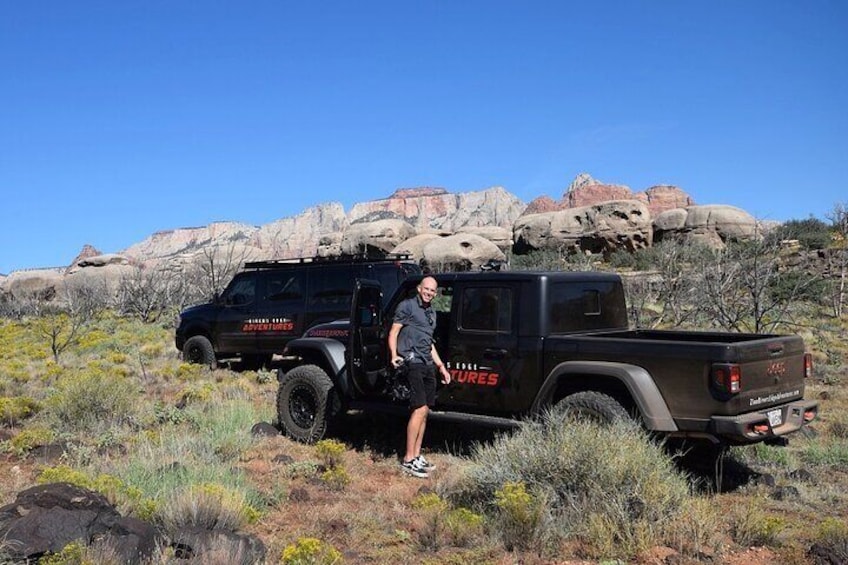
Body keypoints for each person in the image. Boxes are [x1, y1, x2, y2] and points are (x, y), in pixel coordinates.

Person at [388, 275, 451, 478]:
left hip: (427, 363)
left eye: (433, 291)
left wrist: (441, 366)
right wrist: (394, 355)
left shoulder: (431, 312)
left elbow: (429, 343)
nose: (429, 293)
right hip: (412, 361)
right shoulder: (407, 306)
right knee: (418, 408)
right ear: (419, 288)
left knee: (425, 411)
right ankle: (407, 460)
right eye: (427, 289)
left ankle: (416, 456)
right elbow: (393, 332)